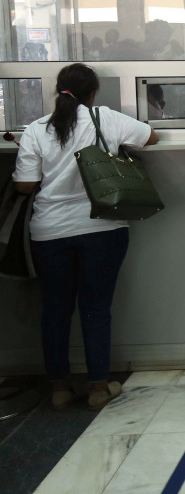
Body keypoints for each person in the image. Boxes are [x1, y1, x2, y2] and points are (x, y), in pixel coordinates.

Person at [13, 63, 159, 410]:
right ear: (93, 93)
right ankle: (97, 387)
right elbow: (150, 137)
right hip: (102, 228)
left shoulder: (36, 129)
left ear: (58, 91)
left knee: (55, 311)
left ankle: (60, 389)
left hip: (50, 232)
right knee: (95, 309)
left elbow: (24, 185)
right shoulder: (103, 118)